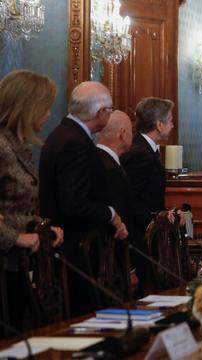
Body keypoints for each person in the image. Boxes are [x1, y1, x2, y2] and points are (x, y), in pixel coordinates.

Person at [39, 81, 127, 316]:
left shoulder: (62, 133)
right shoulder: (74, 142)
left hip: (69, 248)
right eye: (109, 109)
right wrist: (110, 213)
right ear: (101, 113)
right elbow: (73, 203)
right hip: (75, 251)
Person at [0, 70, 63, 331]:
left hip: (15, 263)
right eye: (45, 107)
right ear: (26, 106)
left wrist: (40, 225)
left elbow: (12, 203)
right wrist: (16, 237)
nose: (48, 114)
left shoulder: (17, 144)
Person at [121, 97, 179, 296]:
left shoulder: (148, 150)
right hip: (138, 238)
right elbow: (129, 201)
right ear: (159, 124)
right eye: (170, 120)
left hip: (147, 236)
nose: (173, 124)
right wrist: (157, 216)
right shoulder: (140, 153)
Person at [96, 110, 136, 297]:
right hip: (110, 262)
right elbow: (119, 215)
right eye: (131, 131)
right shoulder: (111, 170)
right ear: (123, 134)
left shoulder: (95, 160)